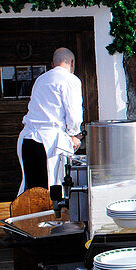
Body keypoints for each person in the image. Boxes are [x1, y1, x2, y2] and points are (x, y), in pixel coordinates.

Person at [16, 47, 83, 194]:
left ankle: (32, 216)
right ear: (72, 62)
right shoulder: (71, 80)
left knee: (31, 186)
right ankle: (49, 216)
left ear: (53, 64)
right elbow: (74, 112)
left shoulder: (41, 79)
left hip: (27, 139)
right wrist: (75, 134)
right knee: (52, 188)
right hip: (49, 141)